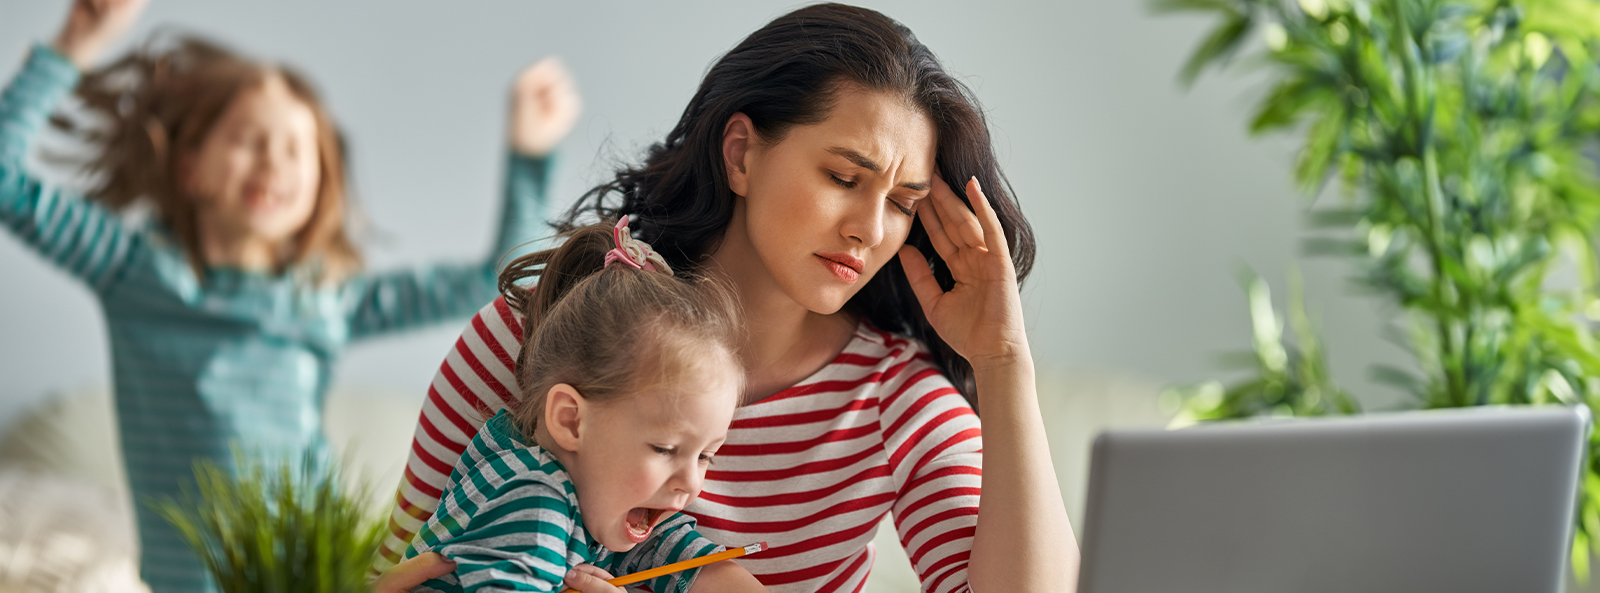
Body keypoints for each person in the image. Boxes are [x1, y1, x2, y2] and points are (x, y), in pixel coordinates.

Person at [373, 4, 1078, 592]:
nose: (868, 227)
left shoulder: (895, 399)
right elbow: (386, 569)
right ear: (741, 154)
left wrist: (1004, 359)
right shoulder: (535, 336)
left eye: (901, 202)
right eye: (842, 176)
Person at [0, 1, 579, 590]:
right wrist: (76, 41)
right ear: (190, 170)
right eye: (250, 139)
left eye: (296, 149)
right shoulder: (132, 271)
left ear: (319, 186)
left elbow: (505, 285)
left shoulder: (324, 301)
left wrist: (529, 157)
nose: (274, 161)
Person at [404, 218, 765, 593]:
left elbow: (683, 557)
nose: (692, 484)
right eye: (665, 449)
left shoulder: (592, 489)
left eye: (706, 456)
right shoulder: (531, 502)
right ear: (571, 420)